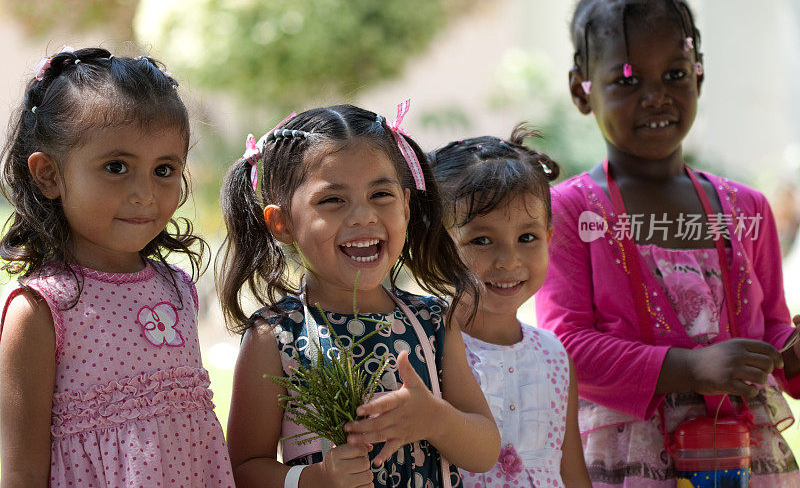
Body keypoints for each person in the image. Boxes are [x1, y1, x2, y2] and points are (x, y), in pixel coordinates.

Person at [536, 0, 800, 486]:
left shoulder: (747, 208)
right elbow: (565, 348)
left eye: (675, 74)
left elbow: (770, 331)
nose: (656, 97)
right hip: (630, 462)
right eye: (628, 80)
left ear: (699, 72)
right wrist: (692, 368)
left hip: (746, 459)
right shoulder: (567, 213)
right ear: (581, 89)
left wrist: (791, 353)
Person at [218, 103, 501, 487]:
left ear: (405, 204)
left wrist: (436, 418)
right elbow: (244, 470)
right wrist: (317, 479)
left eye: (380, 194)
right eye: (332, 200)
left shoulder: (435, 321)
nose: (363, 217)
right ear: (281, 223)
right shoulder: (275, 336)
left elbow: (485, 451)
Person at [0, 47, 233, 486]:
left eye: (164, 169)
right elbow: (22, 472)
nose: (145, 193)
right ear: (48, 174)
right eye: (117, 166)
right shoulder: (38, 311)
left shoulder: (176, 289)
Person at [430, 129, 591, 487]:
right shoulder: (427, 348)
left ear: (549, 237)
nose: (509, 260)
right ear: (435, 245)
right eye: (481, 240)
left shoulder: (554, 356)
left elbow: (572, 472)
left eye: (527, 238)